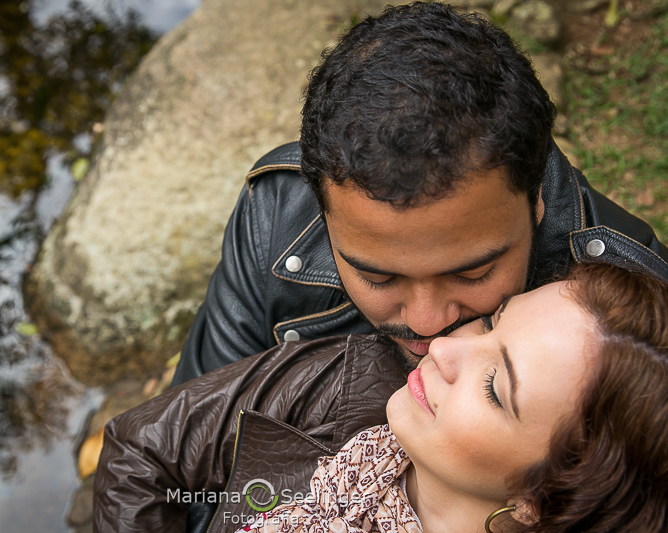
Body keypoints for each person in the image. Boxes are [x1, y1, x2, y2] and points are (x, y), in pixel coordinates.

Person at [171, 2, 668, 386]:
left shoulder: (638, 313)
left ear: (535, 198)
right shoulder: (277, 210)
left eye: (473, 272)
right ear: (321, 212)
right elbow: (186, 448)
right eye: (377, 277)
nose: (427, 321)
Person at [93, 262, 668, 533]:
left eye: (495, 387)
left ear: (539, 500)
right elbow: (141, 449)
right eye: (492, 323)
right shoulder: (350, 377)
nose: (443, 349)